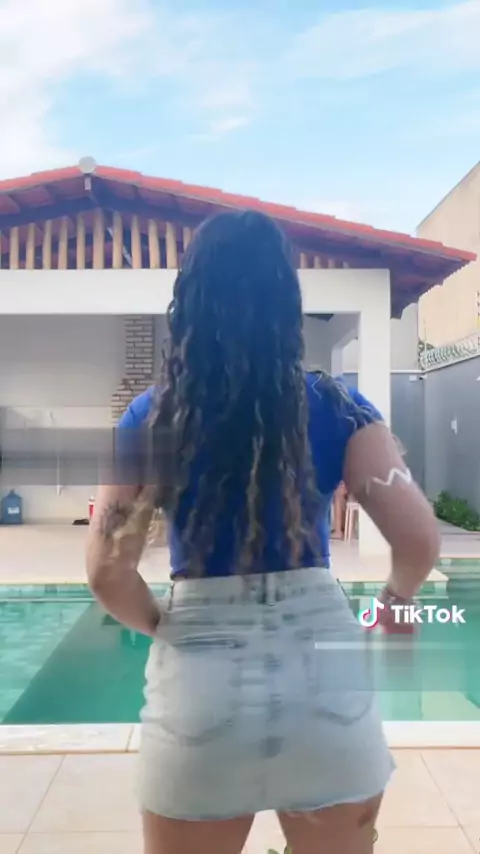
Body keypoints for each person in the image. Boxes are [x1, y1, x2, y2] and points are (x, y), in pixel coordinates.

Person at [86, 210, 440, 854]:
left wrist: (163, 624)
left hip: (201, 685)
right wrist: (393, 603)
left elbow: (107, 569)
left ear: (190, 301)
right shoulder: (340, 407)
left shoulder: (153, 416)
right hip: (325, 682)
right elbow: (418, 543)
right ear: (285, 303)